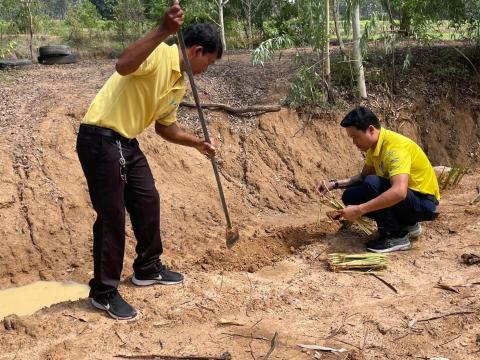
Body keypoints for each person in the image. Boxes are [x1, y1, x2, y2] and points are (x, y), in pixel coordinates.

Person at [76, 1, 222, 320]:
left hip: (126, 141)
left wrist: (199, 143)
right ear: (196, 50)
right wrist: (162, 30)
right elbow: (123, 65)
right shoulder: (159, 53)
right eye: (208, 63)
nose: (205, 70)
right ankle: (103, 292)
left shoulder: (179, 81)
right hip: (100, 136)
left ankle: (147, 267)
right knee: (112, 214)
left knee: (146, 199)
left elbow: (165, 127)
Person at [318, 107, 440, 253]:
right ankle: (408, 226)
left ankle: (396, 236)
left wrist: (359, 210)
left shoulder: (395, 148)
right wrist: (334, 184)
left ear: (370, 130)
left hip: (424, 202)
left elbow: (399, 192)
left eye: (355, 137)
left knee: (372, 184)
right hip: (410, 201)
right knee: (351, 196)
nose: (354, 143)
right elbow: (363, 176)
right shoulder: (374, 147)